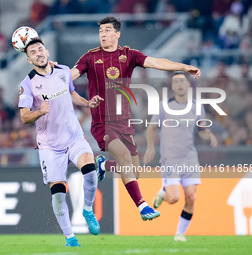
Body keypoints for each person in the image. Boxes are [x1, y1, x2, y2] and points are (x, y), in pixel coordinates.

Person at [70, 16, 201, 221]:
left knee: (134, 172)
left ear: (117, 34)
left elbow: (157, 62)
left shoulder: (129, 55)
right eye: (100, 31)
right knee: (123, 157)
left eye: (107, 30)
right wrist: (53, 76)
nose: (103, 34)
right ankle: (143, 206)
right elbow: (71, 75)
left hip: (124, 122)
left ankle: (104, 165)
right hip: (102, 122)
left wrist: (182, 67)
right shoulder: (90, 57)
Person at [18, 38, 103, 247]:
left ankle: (87, 209)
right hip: (49, 146)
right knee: (58, 194)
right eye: (33, 52)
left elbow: (71, 93)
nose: (38, 53)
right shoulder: (27, 83)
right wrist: (40, 111)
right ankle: (70, 238)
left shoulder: (64, 70)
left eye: (40, 49)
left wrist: (87, 103)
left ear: (47, 52)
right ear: (29, 59)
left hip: (73, 136)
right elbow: (24, 117)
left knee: (91, 171)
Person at [143, 71, 218, 241]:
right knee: (174, 198)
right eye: (176, 82)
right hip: (170, 158)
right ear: (173, 86)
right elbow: (151, 127)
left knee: (191, 197)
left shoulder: (197, 107)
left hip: (190, 158)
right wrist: (150, 147)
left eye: (182, 81)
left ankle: (179, 234)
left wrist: (209, 135)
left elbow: (202, 130)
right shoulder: (164, 106)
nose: (179, 84)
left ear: (187, 84)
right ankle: (164, 192)